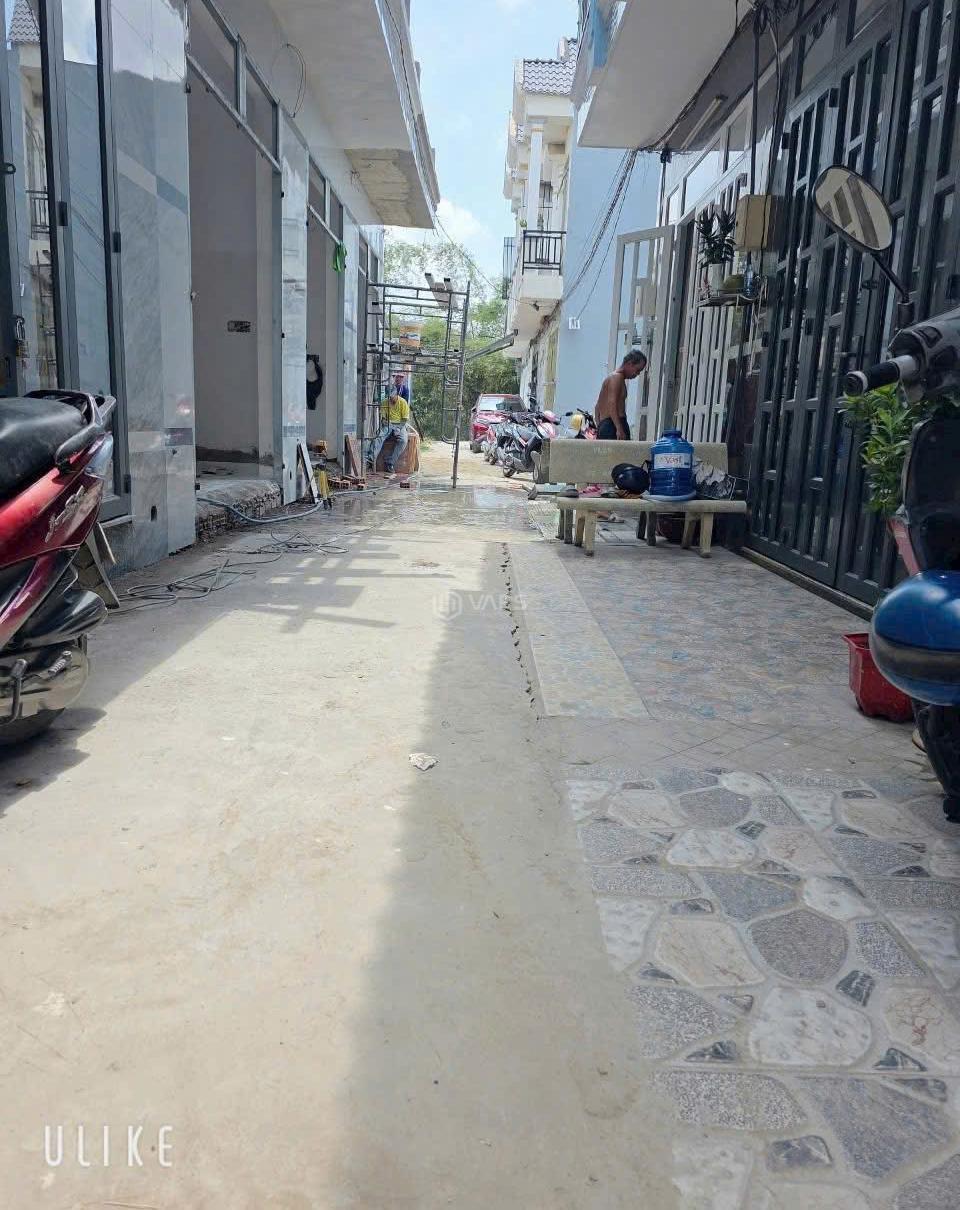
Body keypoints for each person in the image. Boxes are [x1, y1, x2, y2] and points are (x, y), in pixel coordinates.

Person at [594, 350, 647, 440]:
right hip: (613, 425)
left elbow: (597, 407)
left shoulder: (613, 378)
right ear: (629, 364)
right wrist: (619, 428)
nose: (637, 374)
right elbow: (612, 403)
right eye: (637, 370)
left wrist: (600, 427)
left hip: (607, 425)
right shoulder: (616, 378)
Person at [367, 383, 410, 477]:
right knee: (379, 437)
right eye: (389, 397)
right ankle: (370, 460)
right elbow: (383, 419)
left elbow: (404, 419)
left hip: (400, 424)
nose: (391, 399)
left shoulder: (403, 402)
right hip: (388, 424)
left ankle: (390, 462)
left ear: (396, 394)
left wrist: (398, 428)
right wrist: (386, 423)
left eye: (392, 396)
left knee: (403, 440)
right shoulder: (385, 402)